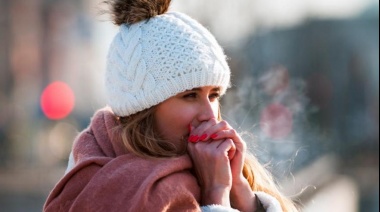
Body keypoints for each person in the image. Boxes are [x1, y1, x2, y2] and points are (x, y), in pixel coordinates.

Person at [44, 0, 299, 211]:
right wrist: (215, 195)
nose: (210, 114)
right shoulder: (103, 187)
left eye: (214, 95)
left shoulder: (228, 173)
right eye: (190, 95)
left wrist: (243, 194)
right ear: (144, 110)